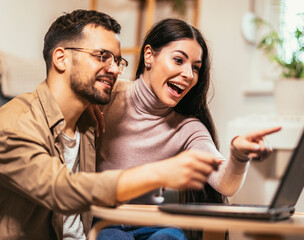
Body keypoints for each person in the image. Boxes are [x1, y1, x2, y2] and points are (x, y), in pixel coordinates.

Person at [0, 11, 222, 240]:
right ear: (61, 58)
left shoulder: (89, 121)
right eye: (102, 56)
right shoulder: (12, 125)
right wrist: (158, 174)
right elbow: (60, 189)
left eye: (117, 60)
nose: (115, 69)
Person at [95, 18, 281, 240]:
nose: (189, 75)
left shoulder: (188, 127)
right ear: (148, 56)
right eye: (178, 60)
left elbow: (224, 183)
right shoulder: (104, 97)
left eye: (195, 67)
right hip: (105, 221)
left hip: (155, 224)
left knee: (170, 237)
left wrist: (239, 155)